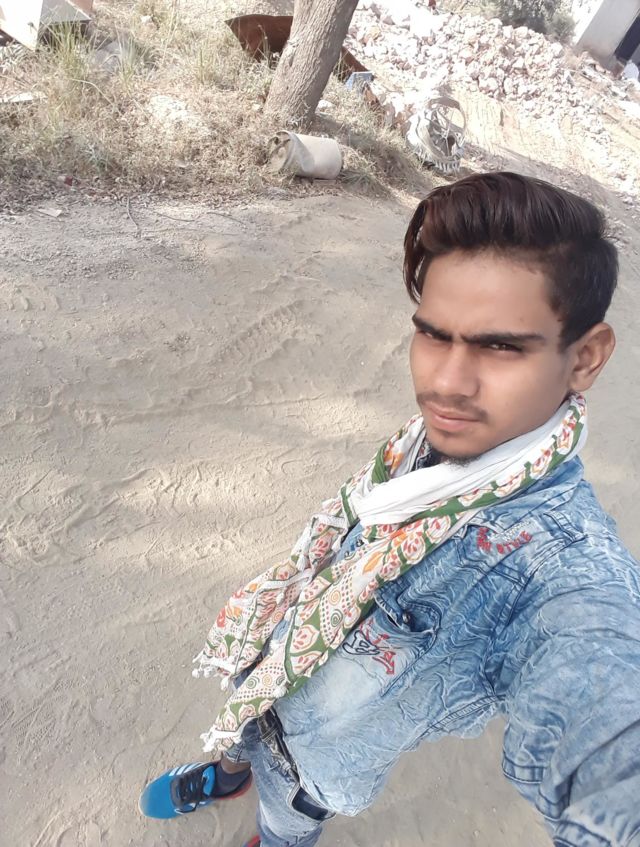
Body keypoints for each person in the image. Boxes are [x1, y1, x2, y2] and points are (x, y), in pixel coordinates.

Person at [138, 172, 640, 847]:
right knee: (239, 730)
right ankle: (229, 774)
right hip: (267, 660)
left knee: (285, 819)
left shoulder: (560, 571)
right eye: (433, 335)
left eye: (499, 346)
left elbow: (608, 746)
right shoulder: (433, 445)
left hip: (311, 764)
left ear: (586, 358)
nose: (446, 383)